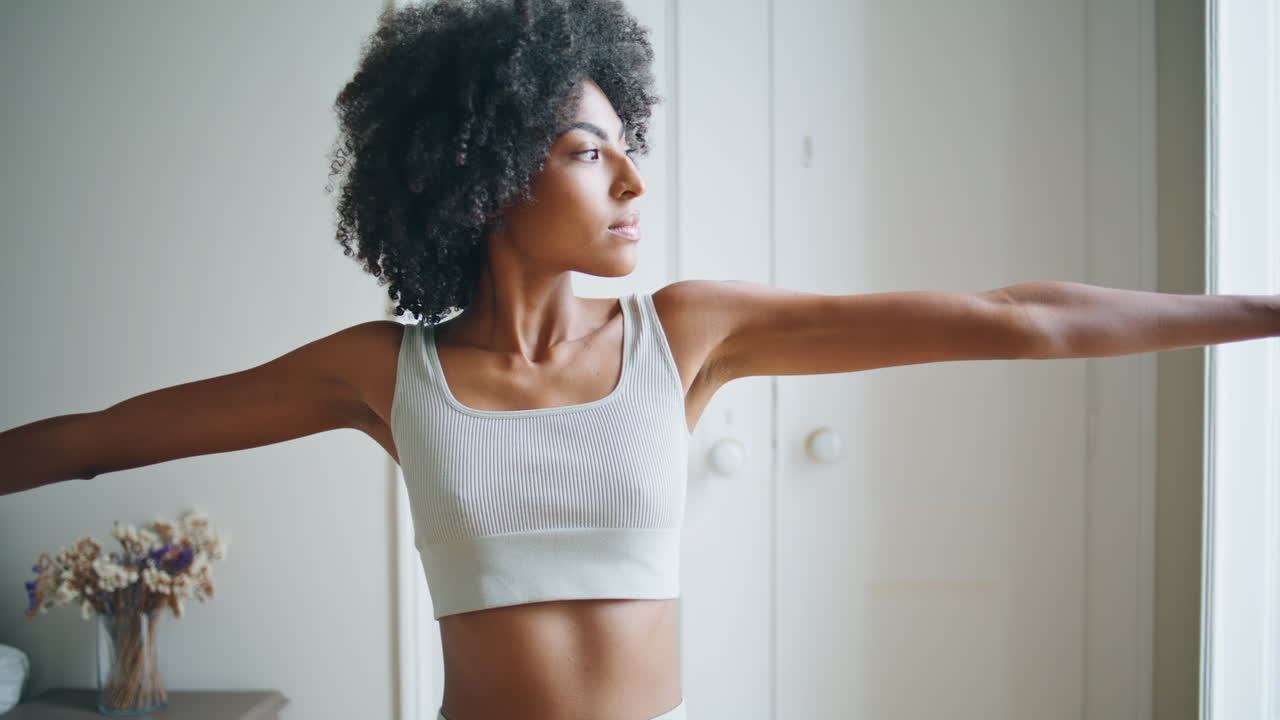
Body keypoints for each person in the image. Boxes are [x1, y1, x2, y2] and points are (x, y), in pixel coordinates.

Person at [1, 1, 1276, 718]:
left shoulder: (691, 331)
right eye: (583, 149)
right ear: (484, 168)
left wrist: (1262, 312)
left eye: (624, 144)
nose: (630, 178)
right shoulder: (380, 371)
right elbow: (102, 436)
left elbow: (1014, 316)